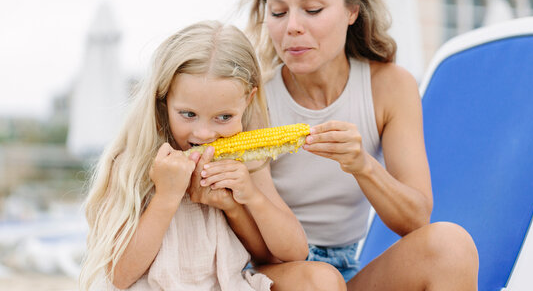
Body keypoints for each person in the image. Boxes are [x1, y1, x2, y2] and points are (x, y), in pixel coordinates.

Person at [244, 0, 480, 290]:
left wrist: (363, 165)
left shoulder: (390, 87)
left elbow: (415, 219)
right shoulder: (252, 98)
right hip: (273, 269)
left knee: (451, 246)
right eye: (278, 11)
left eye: (312, 10)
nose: (292, 26)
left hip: (345, 270)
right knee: (319, 282)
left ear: (352, 9)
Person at [79, 20, 342, 290]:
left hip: (226, 284)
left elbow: (291, 253)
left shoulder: (246, 161)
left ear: (247, 101)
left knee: (323, 279)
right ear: (164, 99)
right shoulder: (130, 163)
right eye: (188, 114)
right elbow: (119, 276)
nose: (204, 133)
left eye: (224, 117)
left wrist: (243, 200)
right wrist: (166, 197)